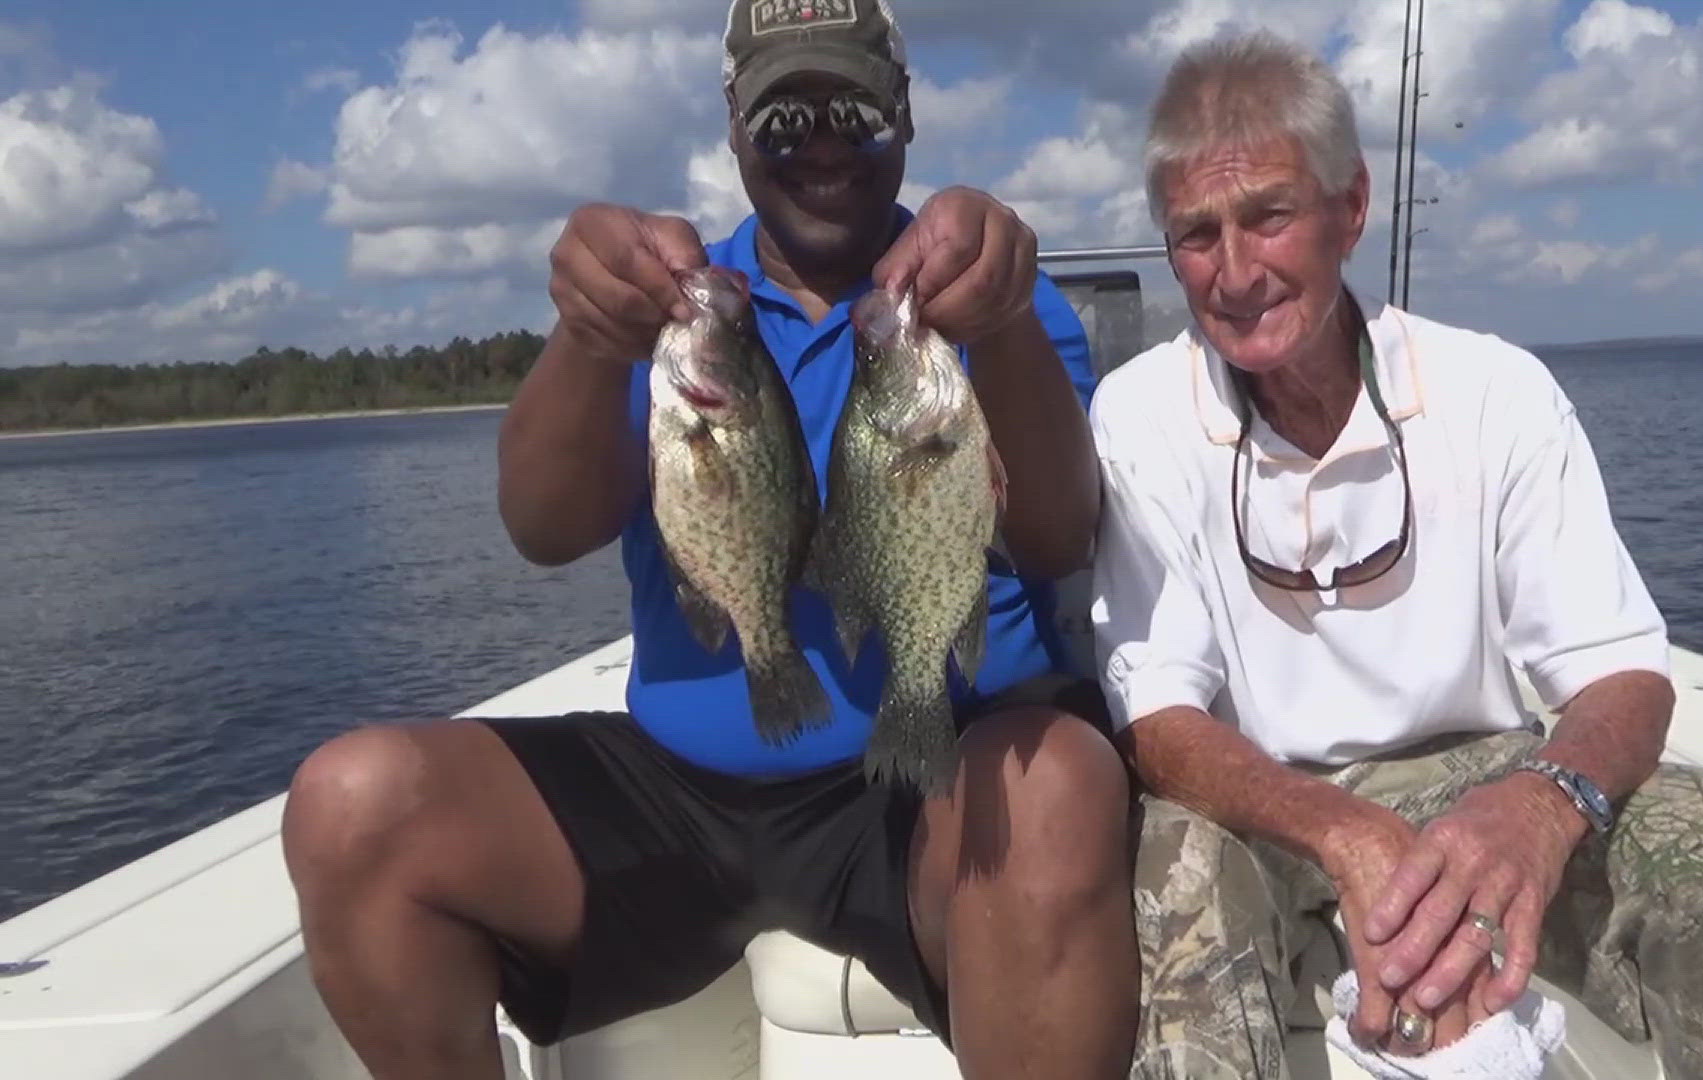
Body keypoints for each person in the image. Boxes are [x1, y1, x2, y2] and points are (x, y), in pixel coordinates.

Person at [280, 2, 1141, 1078]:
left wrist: (1002, 318)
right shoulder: (680, 312)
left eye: (855, 110)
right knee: (349, 804)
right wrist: (591, 340)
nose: (821, 143)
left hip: (925, 790)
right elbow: (544, 529)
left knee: (1059, 780)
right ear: (734, 128)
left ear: (907, 117)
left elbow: (1059, 535)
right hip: (677, 789)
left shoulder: (986, 298)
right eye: (785, 119)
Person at [1090, 30, 1703, 1080]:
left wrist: (1540, 806)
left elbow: (1623, 677)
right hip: (1258, 803)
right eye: (1195, 234)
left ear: (1349, 211)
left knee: (1695, 819)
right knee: (1170, 858)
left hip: (1484, 775)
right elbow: (1164, 726)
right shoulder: (1138, 413)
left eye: (1269, 215)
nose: (1234, 272)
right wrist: (1343, 830)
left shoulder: (1494, 391)